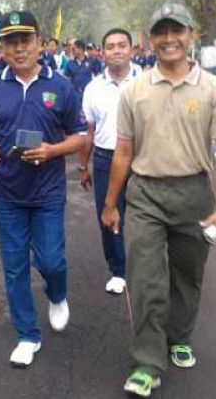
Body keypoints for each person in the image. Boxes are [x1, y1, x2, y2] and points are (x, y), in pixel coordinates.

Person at [100, 3, 216, 397]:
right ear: (150, 40)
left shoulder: (214, 89)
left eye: (176, 30)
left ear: (191, 35)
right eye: (160, 32)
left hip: (194, 194)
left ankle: (179, 335)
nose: (168, 39)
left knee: (187, 275)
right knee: (144, 278)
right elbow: (123, 152)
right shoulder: (134, 91)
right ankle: (147, 361)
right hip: (145, 193)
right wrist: (111, 203)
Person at [0, 10, 86, 367]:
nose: (19, 48)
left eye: (25, 40)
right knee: (15, 265)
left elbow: (81, 136)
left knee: (51, 260)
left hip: (48, 191)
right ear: (1, 47)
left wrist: (52, 150)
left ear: (39, 43)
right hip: (7, 193)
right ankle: (27, 335)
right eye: (10, 42)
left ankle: (57, 293)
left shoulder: (60, 86)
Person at [79, 28, 141, 295]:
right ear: (103, 53)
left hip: (142, 160)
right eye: (111, 46)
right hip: (105, 158)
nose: (116, 50)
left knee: (145, 217)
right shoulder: (93, 88)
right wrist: (84, 166)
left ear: (131, 50)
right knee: (109, 213)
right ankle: (118, 271)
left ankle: (146, 268)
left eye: (122, 45)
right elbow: (88, 132)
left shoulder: (148, 82)